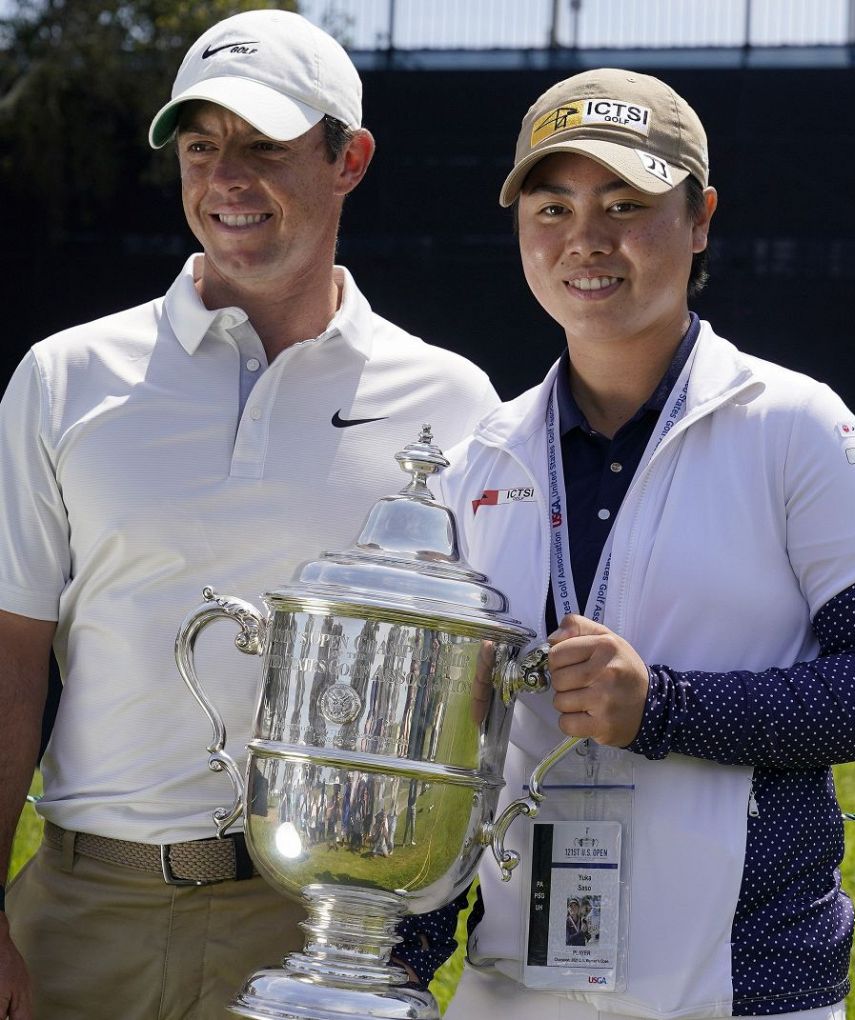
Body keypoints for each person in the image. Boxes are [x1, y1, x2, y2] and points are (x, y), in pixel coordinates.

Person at [398, 68, 855, 1019]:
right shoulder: (476, 456)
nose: (586, 239)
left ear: (700, 220)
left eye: (627, 202)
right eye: (552, 204)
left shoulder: (794, 424)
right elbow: (451, 749)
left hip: (745, 986)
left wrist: (663, 708)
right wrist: (391, 965)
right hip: (514, 989)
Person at [0, 10, 498, 1019]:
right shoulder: (63, 378)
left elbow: (484, 704)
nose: (226, 175)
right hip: (79, 914)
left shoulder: (453, 405)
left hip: (318, 933)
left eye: (263, 145)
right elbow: (10, 659)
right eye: (200, 145)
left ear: (347, 159)